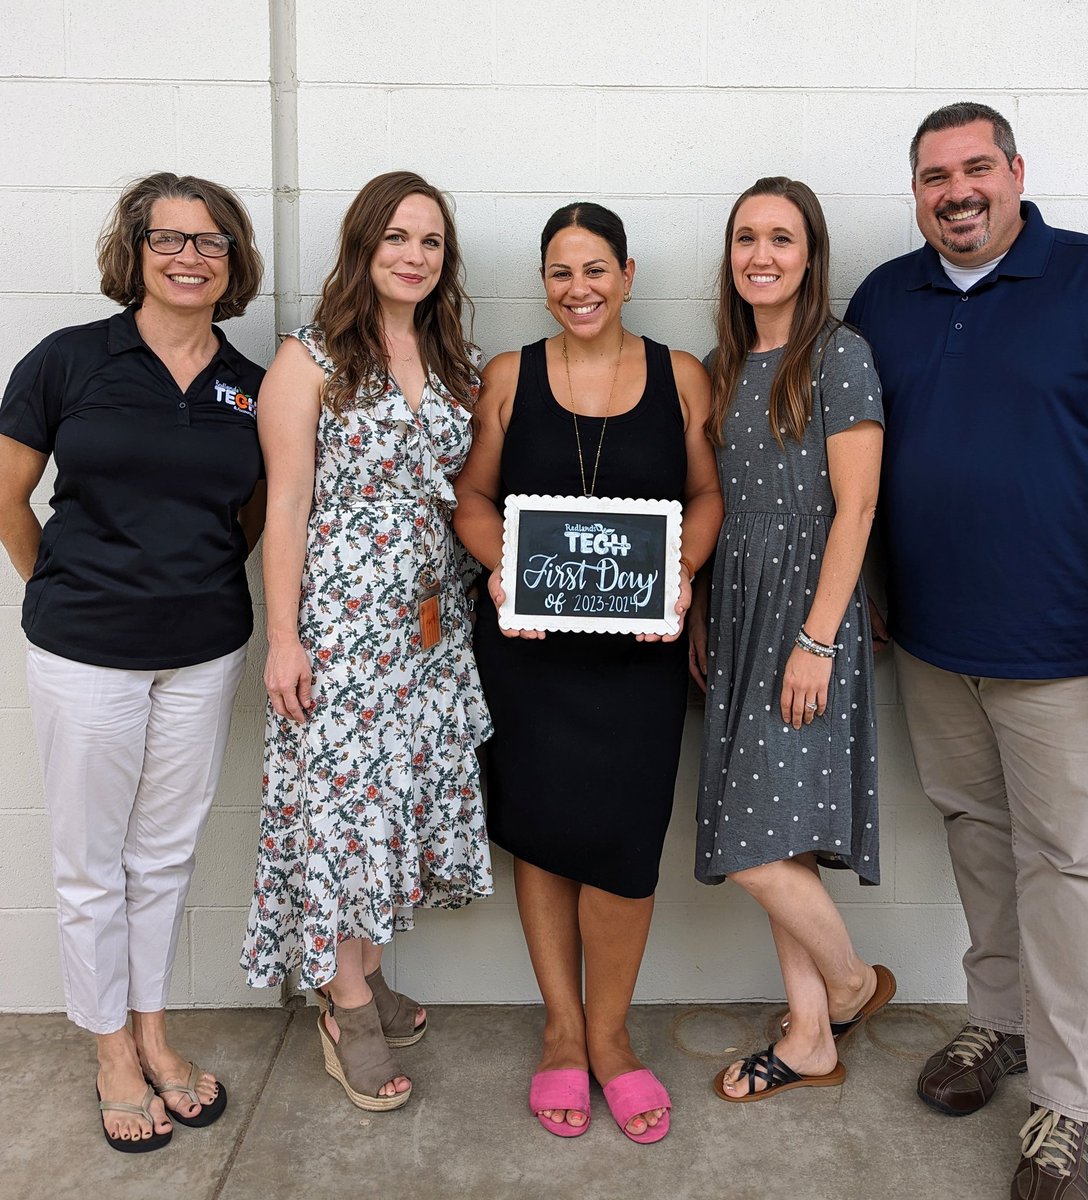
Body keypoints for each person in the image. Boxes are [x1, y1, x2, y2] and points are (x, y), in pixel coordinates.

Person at [846, 102, 1088, 1200]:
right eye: (934, 176)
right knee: (979, 841)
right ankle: (998, 1023)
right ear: (915, 192)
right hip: (935, 646)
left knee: (1072, 871)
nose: (957, 191)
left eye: (976, 168)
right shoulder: (884, 298)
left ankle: (1068, 1104)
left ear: (1014, 171)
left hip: (1069, 656)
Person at [0, 173, 265, 1152]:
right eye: (170, 239)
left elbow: (252, 514)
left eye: (211, 241)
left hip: (203, 653)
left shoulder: (251, 383)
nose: (191, 257)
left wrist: (185, 583)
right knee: (89, 864)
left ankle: (152, 1031)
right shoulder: (67, 360)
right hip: (86, 653)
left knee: (163, 856)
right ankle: (110, 1047)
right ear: (135, 250)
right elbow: (8, 496)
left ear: (233, 260)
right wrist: (62, 585)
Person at [453, 202, 722, 1143]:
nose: (580, 289)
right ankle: (562, 1031)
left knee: (623, 842)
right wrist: (506, 568)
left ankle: (611, 1036)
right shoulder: (507, 376)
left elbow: (706, 493)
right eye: (562, 272)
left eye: (597, 269)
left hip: (639, 659)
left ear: (628, 274)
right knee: (543, 834)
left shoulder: (680, 376)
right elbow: (472, 496)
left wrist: (681, 575)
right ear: (544, 283)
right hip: (531, 657)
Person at [240, 171, 493, 1112]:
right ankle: (344, 1004)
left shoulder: (455, 358)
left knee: (394, 804)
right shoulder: (308, 360)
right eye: (396, 237)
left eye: (430, 241)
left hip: (432, 627)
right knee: (347, 810)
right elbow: (286, 506)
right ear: (362, 246)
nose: (413, 256)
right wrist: (285, 639)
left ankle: (370, 969)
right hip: (343, 630)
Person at [691, 177, 894, 1103]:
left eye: (781, 238)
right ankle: (811, 1035)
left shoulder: (840, 356)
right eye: (746, 238)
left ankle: (851, 985)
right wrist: (703, 610)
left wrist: (816, 643)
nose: (761, 255)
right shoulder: (723, 364)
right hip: (740, 612)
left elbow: (857, 509)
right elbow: (717, 504)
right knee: (781, 836)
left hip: (809, 617)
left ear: (810, 257)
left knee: (755, 844)